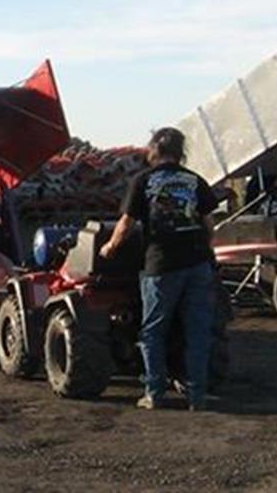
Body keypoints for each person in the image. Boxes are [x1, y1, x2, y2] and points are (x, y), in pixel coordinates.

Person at [99, 127, 217, 411]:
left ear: (155, 149)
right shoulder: (195, 180)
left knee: (153, 331)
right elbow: (209, 225)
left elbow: (126, 224)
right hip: (198, 264)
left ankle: (154, 392)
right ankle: (197, 396)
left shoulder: (143, 181)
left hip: (162, 265)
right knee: (198, 331)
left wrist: (109, 248)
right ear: (180, 151)